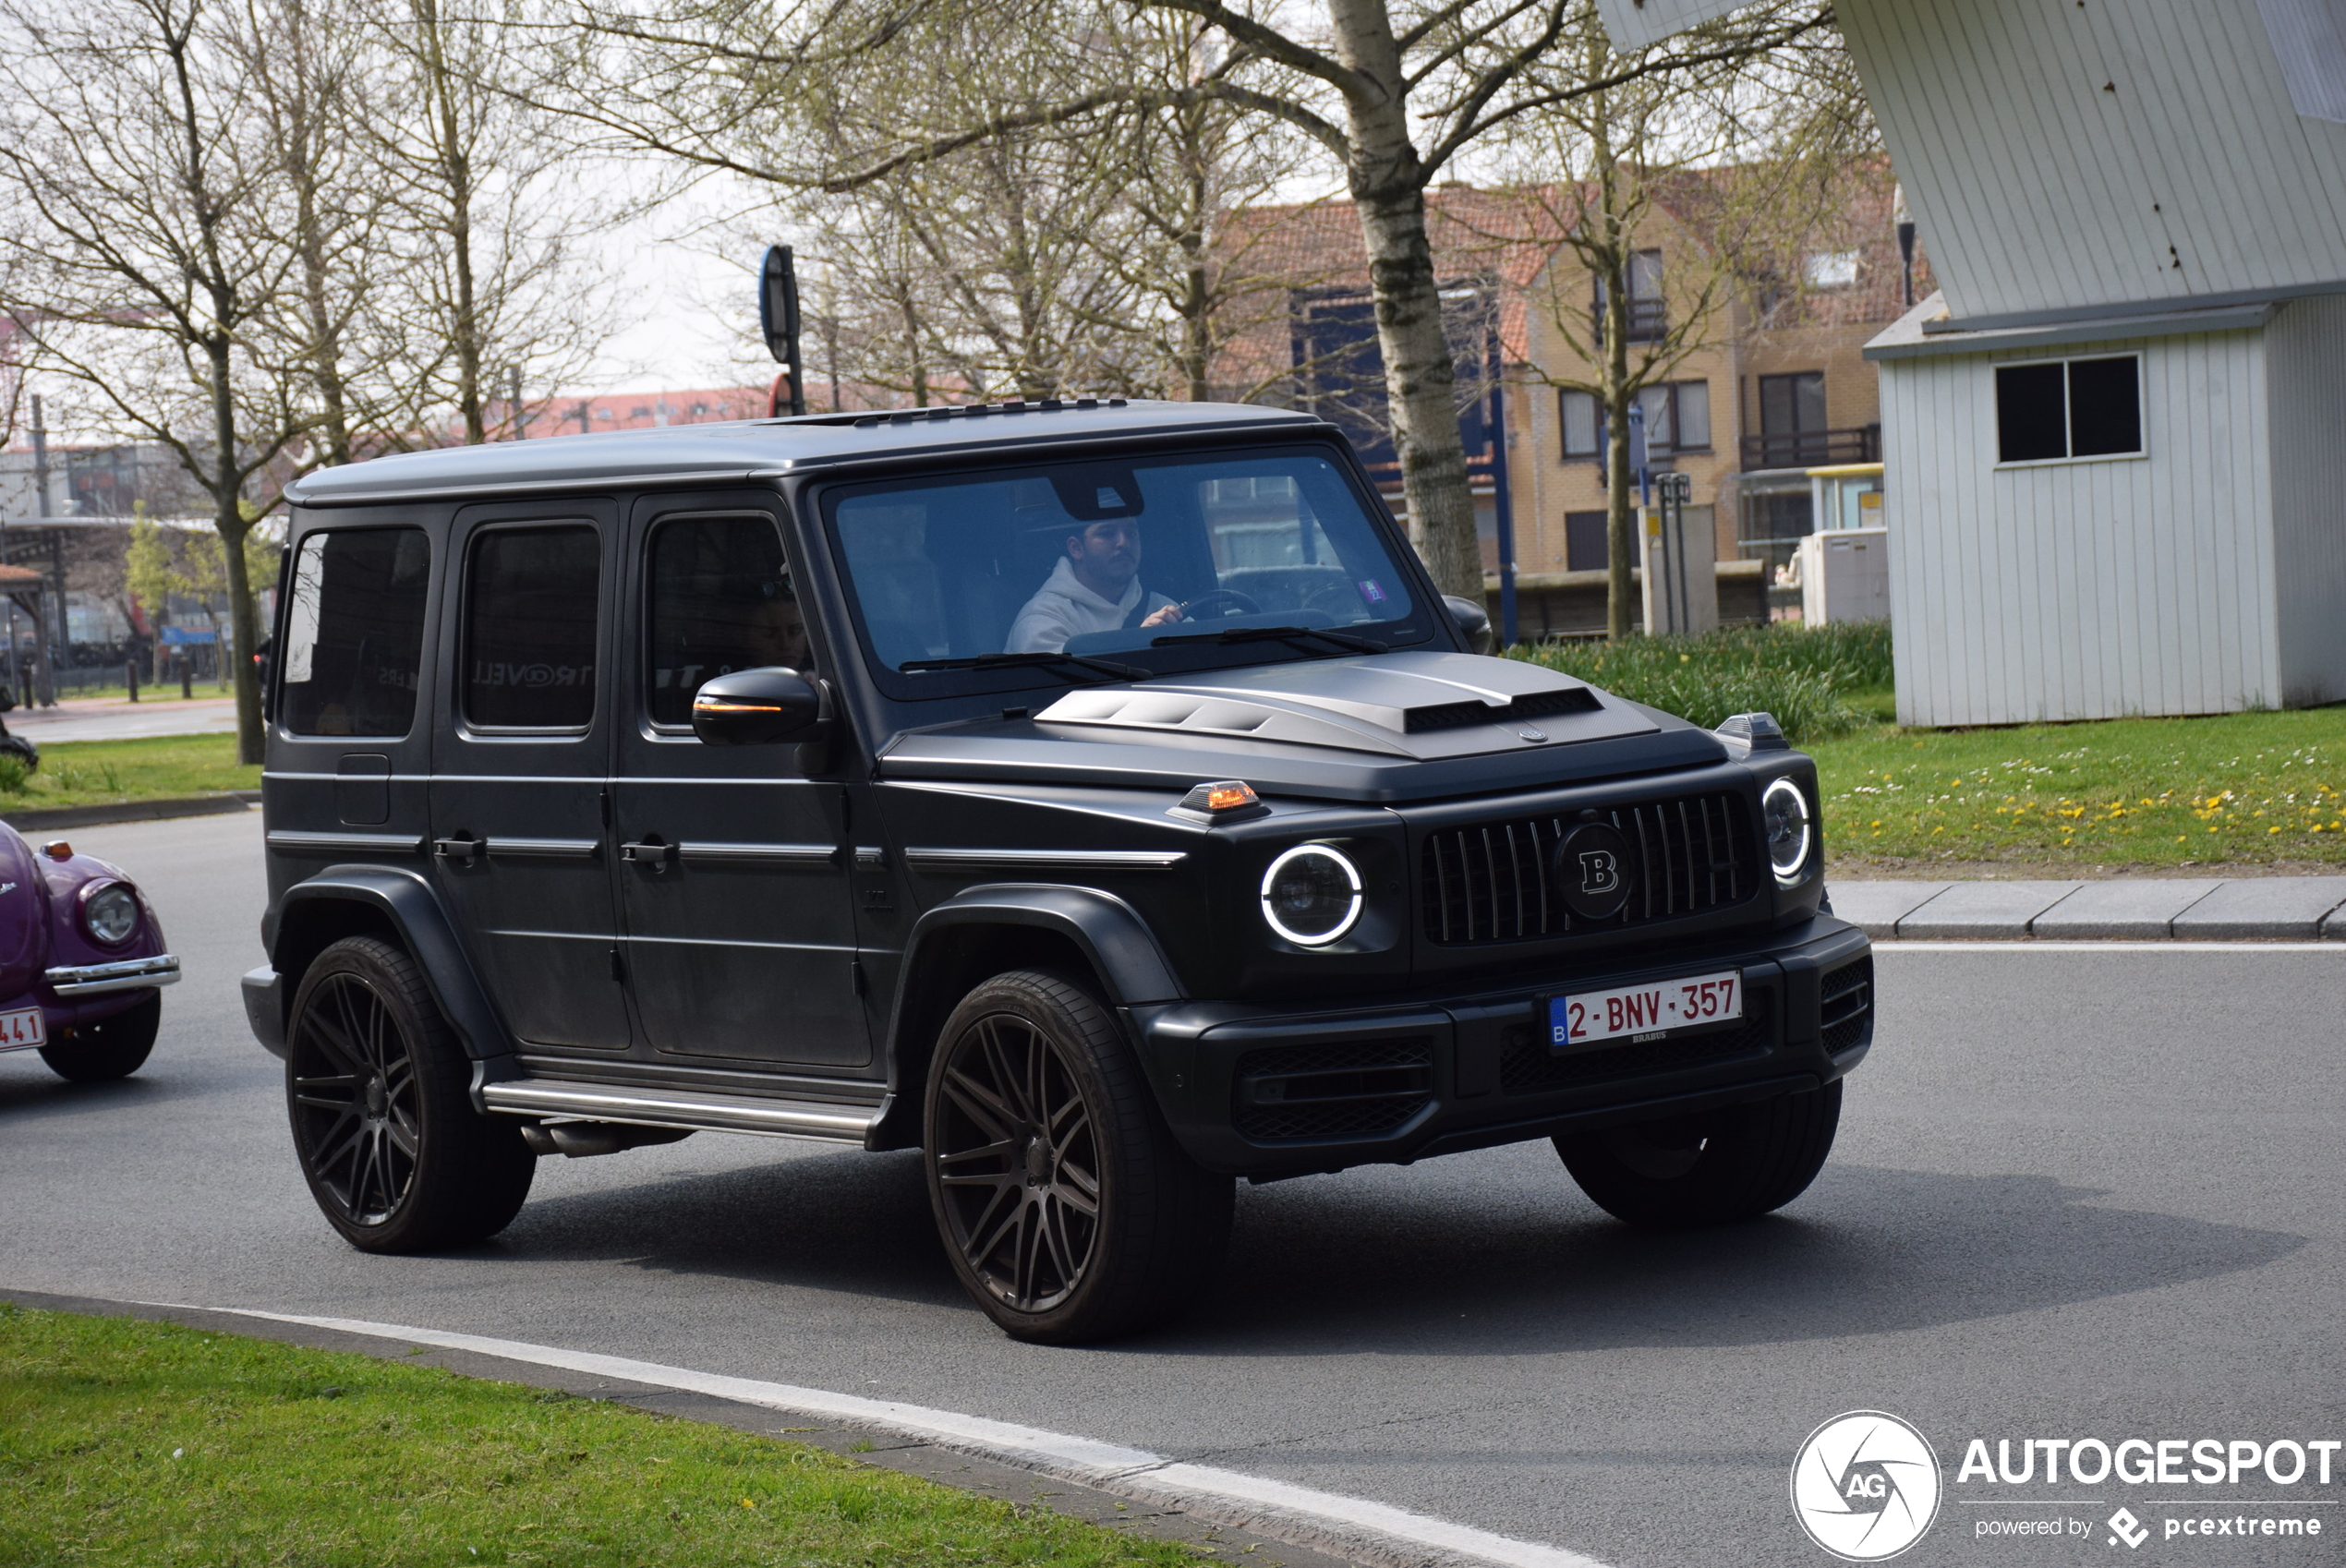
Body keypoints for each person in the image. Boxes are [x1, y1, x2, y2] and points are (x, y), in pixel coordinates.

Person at [1006, 516, 1184, 653]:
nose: (1123, 543)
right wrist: (1139, 645)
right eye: (1106, 533)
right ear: (1076, 548)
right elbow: (1064, 696)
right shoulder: (1042, 620)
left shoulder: (1162, 607)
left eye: (1131, 533)